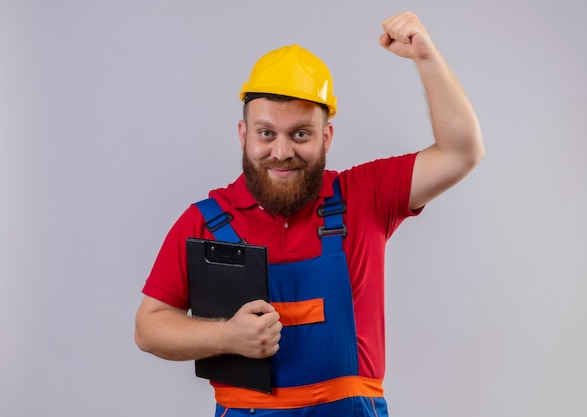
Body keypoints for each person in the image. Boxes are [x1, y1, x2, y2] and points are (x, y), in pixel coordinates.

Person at [135, 10, 484, 417]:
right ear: (244, 135)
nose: (281, 152)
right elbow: (149, 327)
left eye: (300, 133)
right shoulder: (205, 221)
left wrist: (427, 58)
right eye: (266, 133)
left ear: (326, 137)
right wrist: (228, 336)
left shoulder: (365, 195)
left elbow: (461, 152)